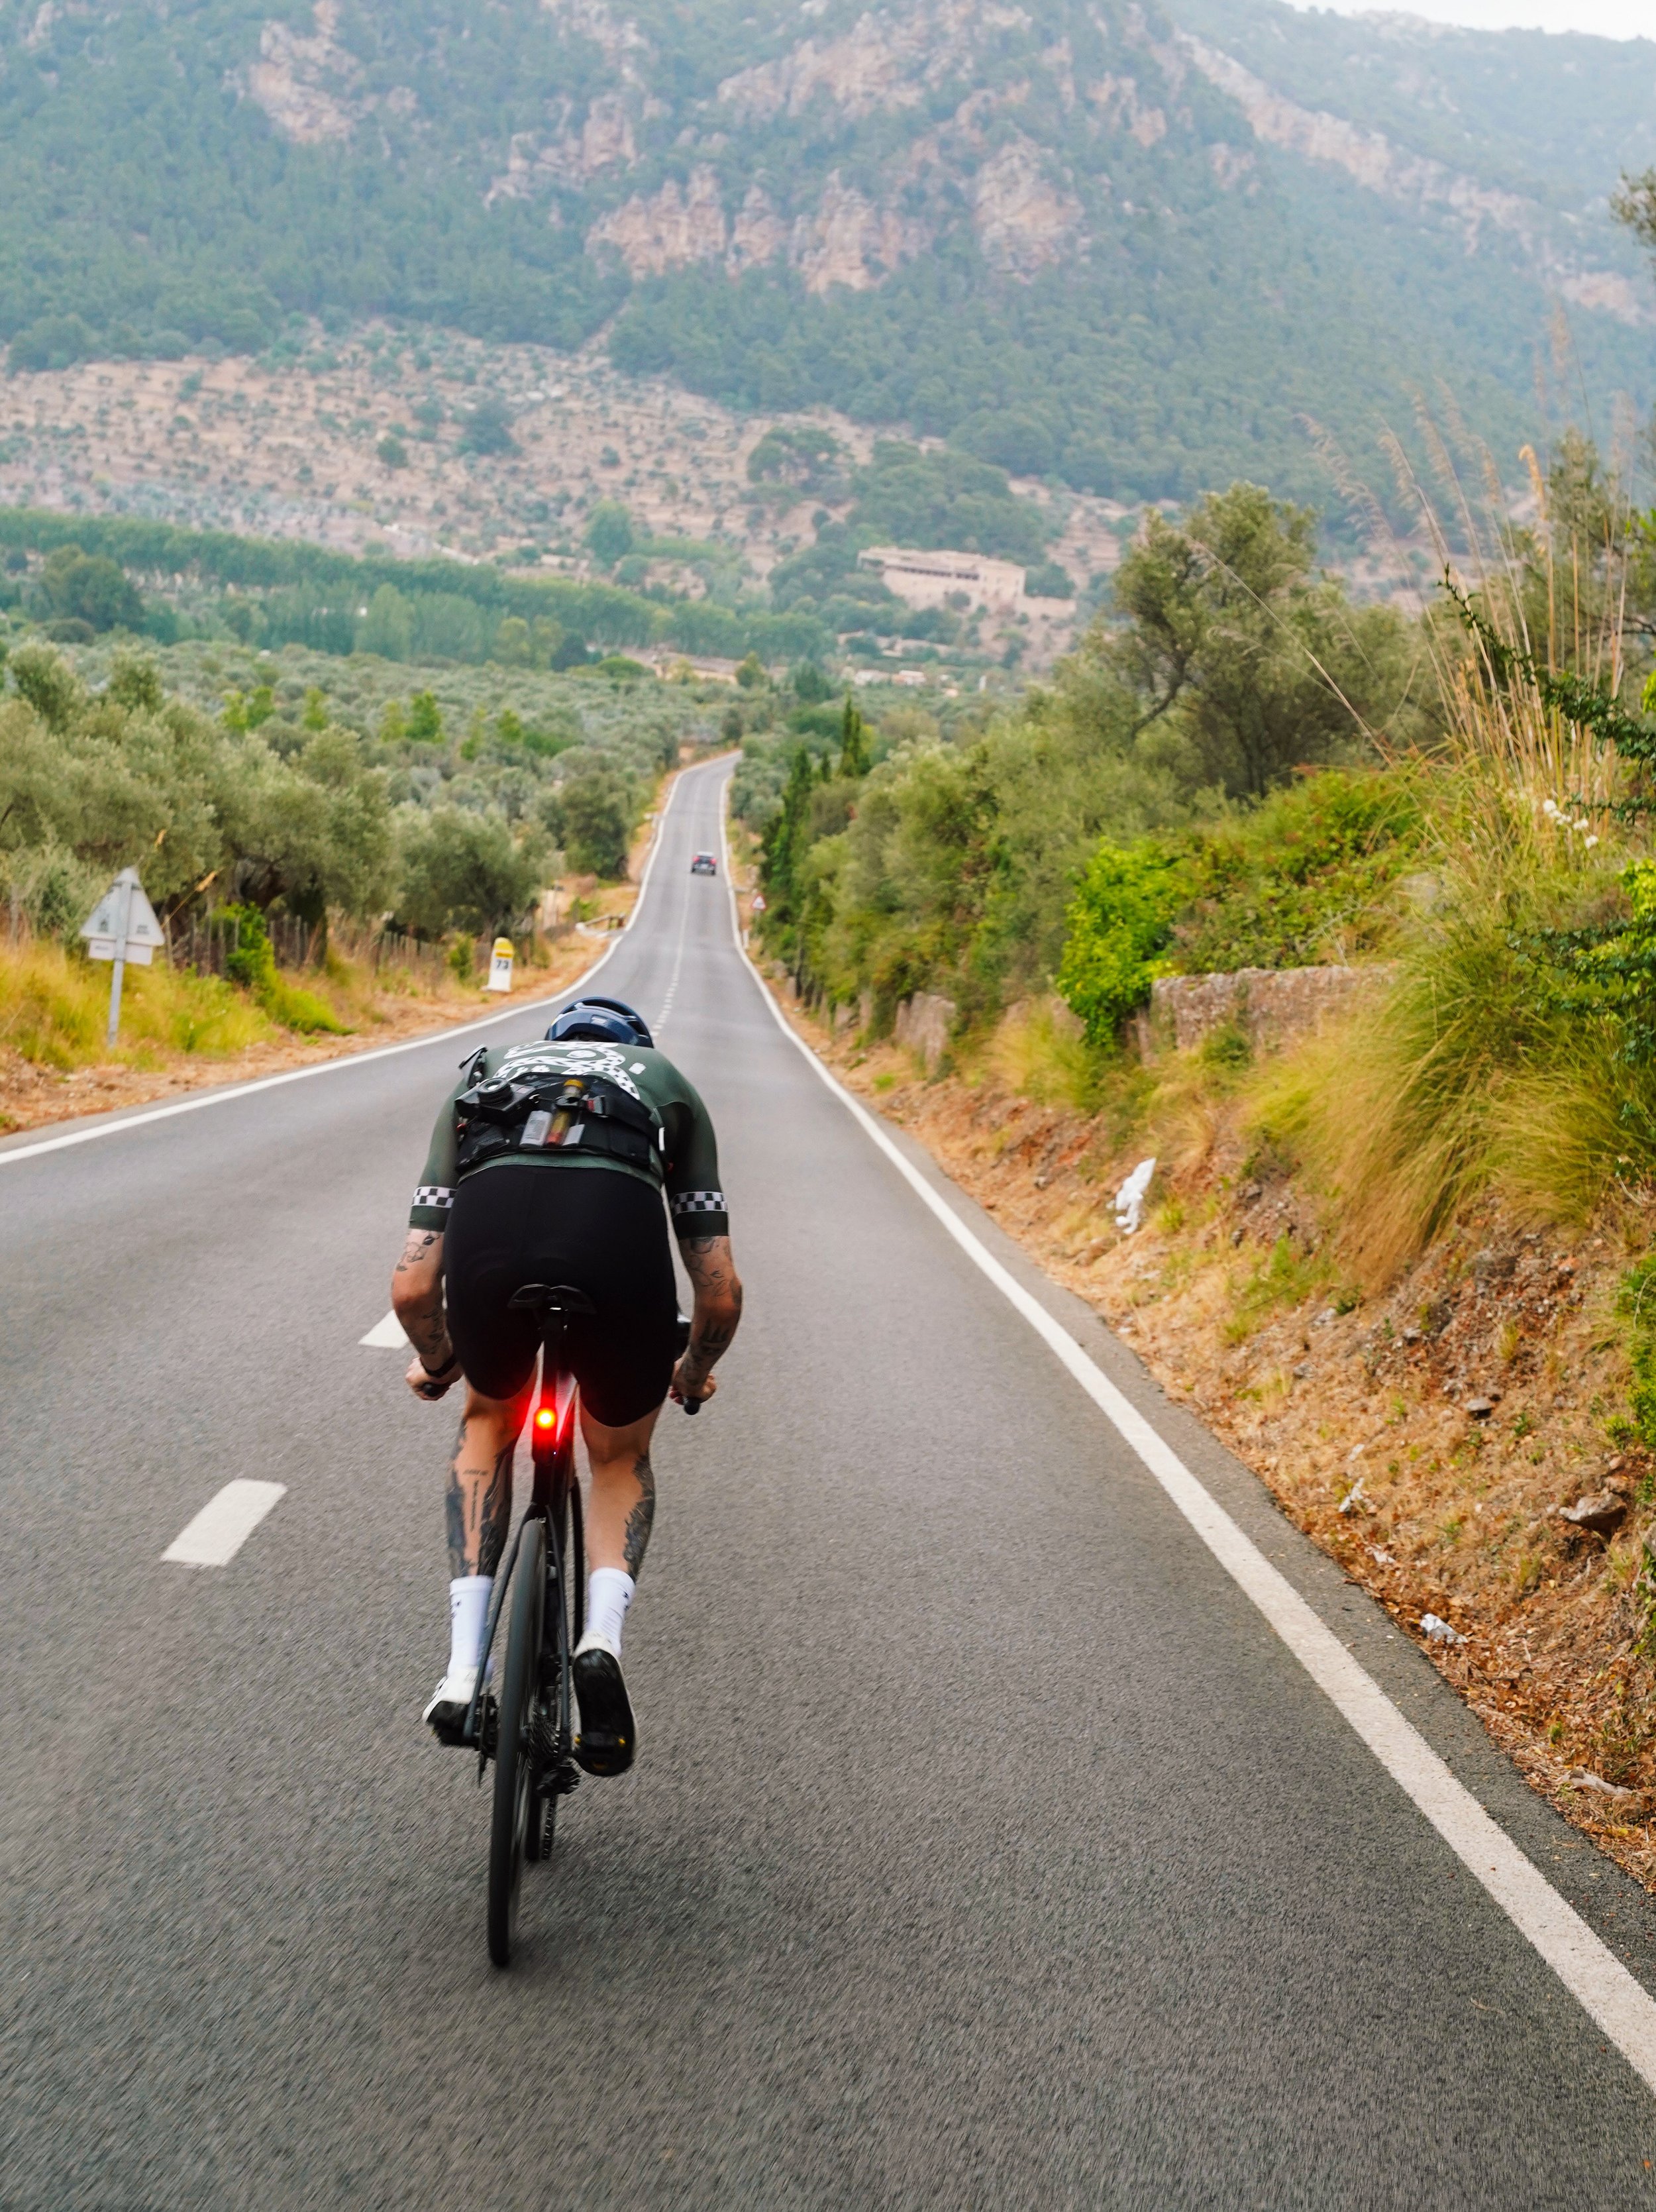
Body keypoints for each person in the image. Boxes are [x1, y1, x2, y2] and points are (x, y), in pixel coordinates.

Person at [390, 996, 743, 1776]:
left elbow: (413, 1289)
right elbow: (717, 1293)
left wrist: (448, 1364)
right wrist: (689, 1373)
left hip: (493, 1242)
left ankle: (459, 1675)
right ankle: (600, 1641)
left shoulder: (486, 1071)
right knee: (616, 1458)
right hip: (615, 1241)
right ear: (634, 1050)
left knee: (489, 1417)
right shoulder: (664, 1081)